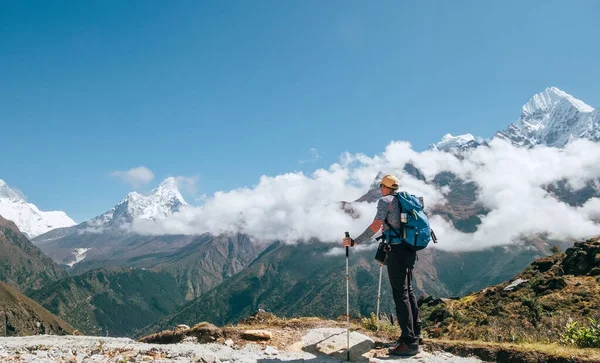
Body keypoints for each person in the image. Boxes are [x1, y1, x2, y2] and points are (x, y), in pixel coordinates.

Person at [343, 174, 422, 356]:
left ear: (384, 187)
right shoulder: (406, 200)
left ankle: (409, 342)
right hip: (410, 249)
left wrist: (356, 241)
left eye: (381, 186)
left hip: (396, 251)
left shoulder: (385, 201)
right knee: (408, 291)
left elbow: (375, 225)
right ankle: (416, 334)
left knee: (400, 293)